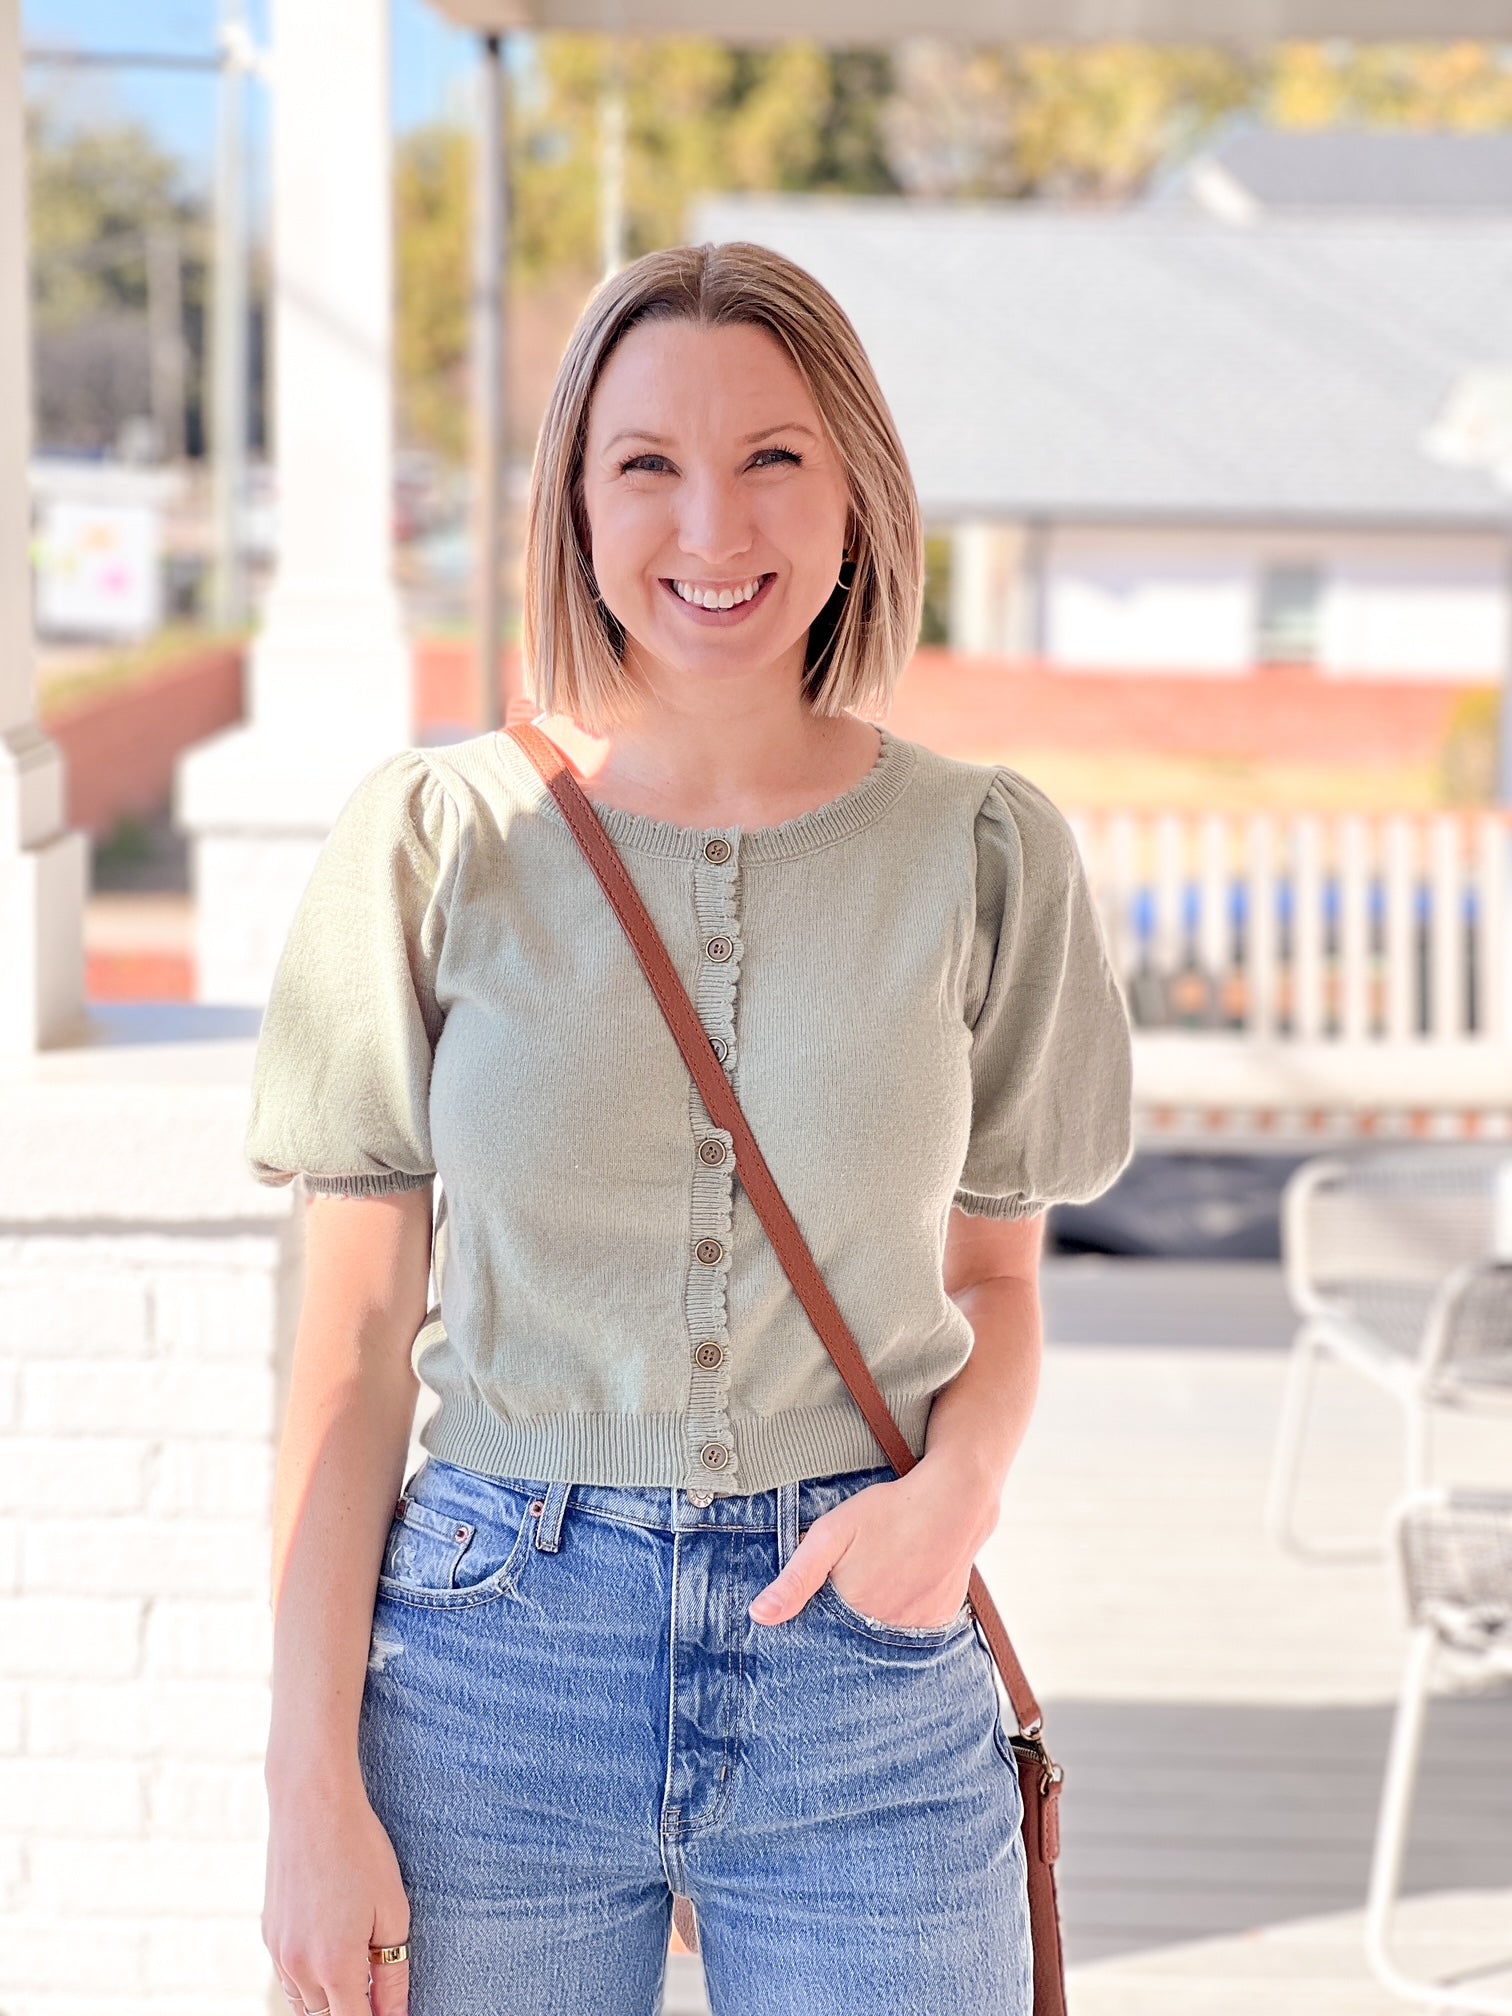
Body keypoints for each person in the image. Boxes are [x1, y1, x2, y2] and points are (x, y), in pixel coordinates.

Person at [250, 239, 1134, 2016]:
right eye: (647, 463)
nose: (711, 528)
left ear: (856, 489)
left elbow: (1000, 1283)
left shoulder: (987, 854)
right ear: (576, 501)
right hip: (491, 1674)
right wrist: (304, 1786)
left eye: (771, 459)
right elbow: (347, 1350)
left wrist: (952, 1501)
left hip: (863, 1659)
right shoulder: (432, 838)